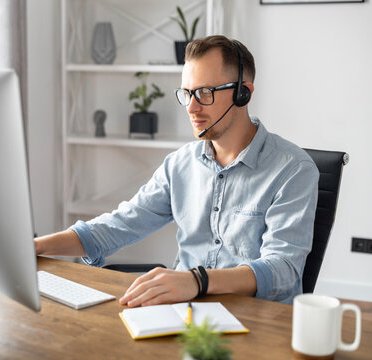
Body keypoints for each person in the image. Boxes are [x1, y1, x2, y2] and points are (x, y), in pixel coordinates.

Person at [35, 35, 319, 306]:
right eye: (187, 93)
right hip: (185, 313)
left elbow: (283, 269)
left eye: (205, 93)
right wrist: (35, 247)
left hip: (258, 324)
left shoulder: (293, 170)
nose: (192, 107)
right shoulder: (180, 165)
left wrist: (197, 281)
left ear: (243, 93)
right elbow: (120, 225)